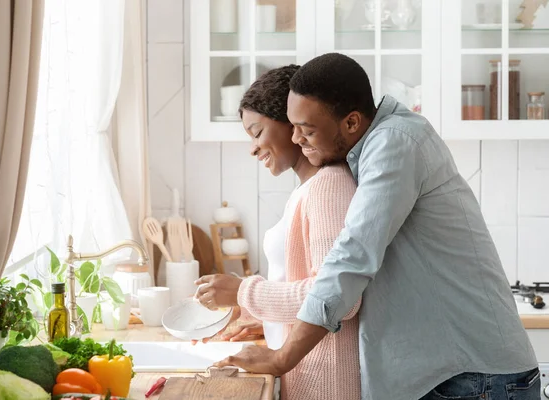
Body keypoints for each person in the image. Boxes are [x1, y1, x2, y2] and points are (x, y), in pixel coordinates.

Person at [212, 53, 540, 400]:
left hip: (475, 378)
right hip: (454, 376)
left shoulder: (394, 144)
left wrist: (282, 358)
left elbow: (350, 260)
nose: (295, 139)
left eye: (307, 130)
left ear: (351, 123)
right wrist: (275, 321)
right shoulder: (368, 152)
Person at [195, 64, 362, 399]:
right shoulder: (309, 188)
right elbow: (310, 288)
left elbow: (340, 299)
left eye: (257, 133)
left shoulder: (329, 186)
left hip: (324, 385)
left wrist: (244, 292)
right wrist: (267, 318)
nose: (253, 148)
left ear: (292, 122)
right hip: (309, 376)